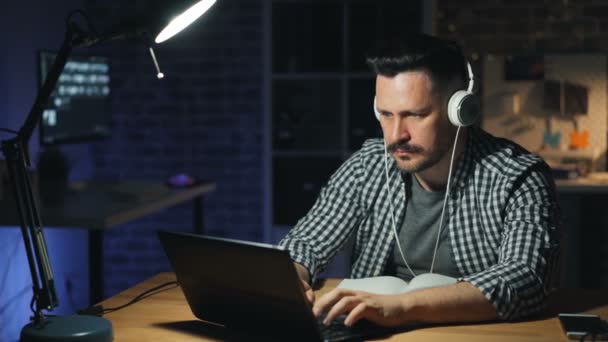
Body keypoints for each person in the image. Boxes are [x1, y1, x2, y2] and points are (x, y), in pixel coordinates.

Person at [278, 33, 562, 328]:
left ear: (460, 110)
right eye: (386, 114)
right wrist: (293, 277)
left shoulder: (517, 176)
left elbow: (525, 277)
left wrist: (400, 307)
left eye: (414, 114)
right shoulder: (369, 164)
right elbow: (307, 241)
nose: (396, 134)